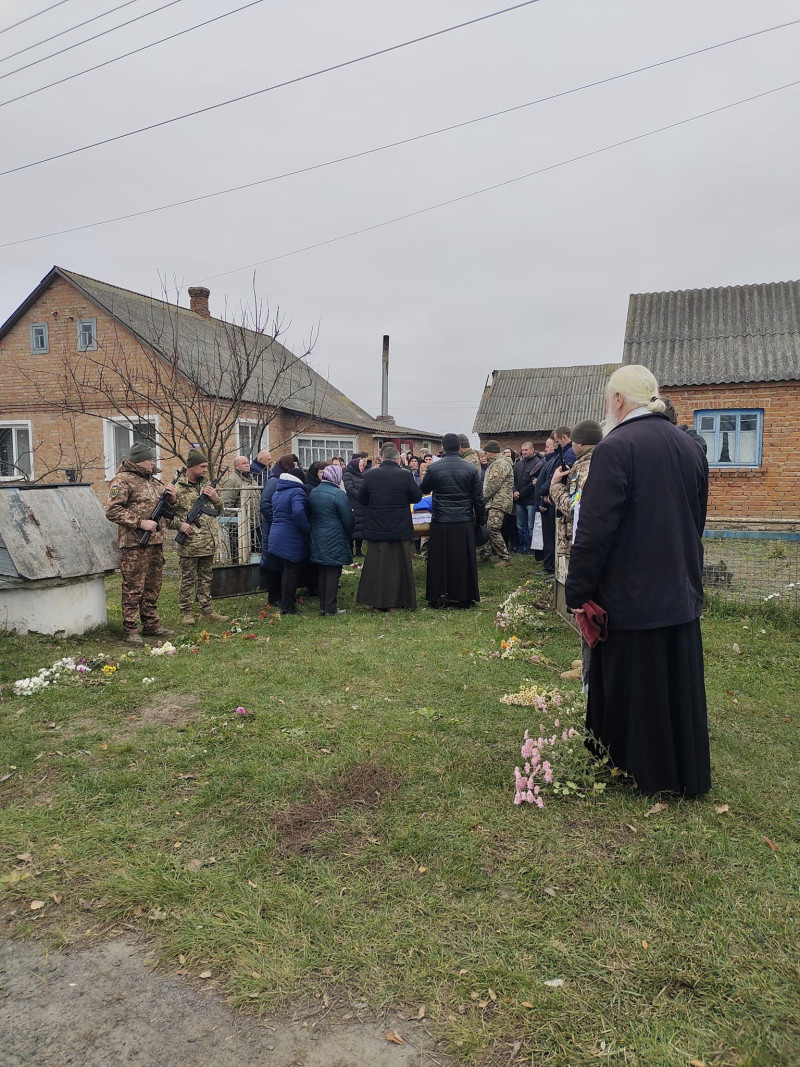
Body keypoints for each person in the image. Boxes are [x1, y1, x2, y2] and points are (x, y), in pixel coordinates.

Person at [565, 365, 710, 796]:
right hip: (679, 586)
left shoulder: (616, 446)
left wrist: (579, 592)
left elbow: (594, 531)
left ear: (617, 402)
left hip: (632, 591)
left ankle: (639, 768)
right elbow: (696, 518)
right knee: (674, 683)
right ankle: (682, 771)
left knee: (640, 683)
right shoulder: (687, 444)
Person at [549, 420, 602, 689]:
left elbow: (573, 507)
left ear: (579, 442)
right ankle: (587, 659)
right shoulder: (600, 460)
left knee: (583, 606)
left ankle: (589, 673)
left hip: (579, 545)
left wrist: (555, 486)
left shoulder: (584, 467)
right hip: (587, 545)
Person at [105, 441, 176, 644]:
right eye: (149, 460)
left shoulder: (153, 482)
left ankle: (151, 624)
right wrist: (139, 522)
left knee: (153, 585)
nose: (153, 463)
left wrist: (172, 499)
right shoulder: (122, 480)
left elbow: (169, 510)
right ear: (138, 461)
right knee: (134, 586)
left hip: (155, 542)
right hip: (134, 544)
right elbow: (112, 511)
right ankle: (130, 628)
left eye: (154, 459)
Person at [420, 433, 485, 608]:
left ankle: (437, 597)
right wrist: (481, 521)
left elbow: (424, 488)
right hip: (463, 520)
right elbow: (478, 498)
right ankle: (465, 597)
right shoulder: (470, 469)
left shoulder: (434, 469)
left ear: (443, 447)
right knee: (463, 560)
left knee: (439, 560)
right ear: (459, 447)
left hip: (441, 520)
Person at [356, 444, 422, 611]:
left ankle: (376, 602)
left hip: (377, 525)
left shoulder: (371, 475)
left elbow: (362, 499)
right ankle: (399, 600)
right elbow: (416, 496)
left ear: (382, 458)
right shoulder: (405, 475)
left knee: (376, 566)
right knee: (399, 565)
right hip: (399, 525)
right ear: (398, 459)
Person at [168, 449, 227, 625]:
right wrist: (180, 525)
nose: (205, 470)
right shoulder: (176, 488)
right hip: (190, 543)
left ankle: (207, 611)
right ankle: (186, 612)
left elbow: (218, 511)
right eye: (202, 466)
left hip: (208, 542)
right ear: (190, 467)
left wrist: (216, 498)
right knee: (188, 579)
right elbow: (166, 516)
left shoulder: (207, 485)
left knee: (206, 578)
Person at [309, 463, 354, 616]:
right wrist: (350, 535)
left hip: (317, 535)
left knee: (322, 572)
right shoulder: (338, 494)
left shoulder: (314, 491)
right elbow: (347, 519)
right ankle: (331, 608)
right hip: (335, 536)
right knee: (334, 572)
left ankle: (323, 606)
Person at [268, 462, 310, 615]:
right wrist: (307, 529)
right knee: (292, 574)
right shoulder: (297, 492)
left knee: (285, 572)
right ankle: (288, 607)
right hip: (290, 537)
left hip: (277, 535)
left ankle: (285, 603)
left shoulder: (279, 491)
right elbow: (298, 513)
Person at [259, 454, 298, 606]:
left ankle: (281, 596)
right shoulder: (274, 482)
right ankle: (274, 597)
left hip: (278, 529)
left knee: (280, 564)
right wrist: (276, 521)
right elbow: (265, 504)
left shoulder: (281, 480)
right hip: (273, 529)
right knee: (273, 564)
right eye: (293, 465)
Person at [478, 441, 514, 566]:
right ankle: (485, 554)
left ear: (492, 452)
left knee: (492, 528)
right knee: (486, 528)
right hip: (492, 502)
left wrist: (480, 500)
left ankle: (505, 557)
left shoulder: (501, 464)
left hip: (499, 501)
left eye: (486, 453)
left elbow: (493, 485)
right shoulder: (494, 464)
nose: (485, 455)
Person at [535, 434, 563, 576]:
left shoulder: (557, 460)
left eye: (547, 446)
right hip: (545, 502)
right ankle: (548, 565)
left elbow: (551, 479)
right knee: (547, 538)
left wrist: (541, 491)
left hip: (550, 503)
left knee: (550, 538)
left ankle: (550, 567)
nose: (545, 450)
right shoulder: (550, 460)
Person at [513, 442, 542, 555]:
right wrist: (514, 491)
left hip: (530, 499)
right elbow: (513, 480)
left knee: (531, 526)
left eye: (526, 450)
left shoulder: (538, 463)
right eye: (522, 450)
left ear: (532, 450)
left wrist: (520, 493)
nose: (524, 452)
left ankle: (532, 549)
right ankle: (523, 548)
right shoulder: (519, 464)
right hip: (519, 500)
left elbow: (533, 483)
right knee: (520, 525)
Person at [343, 454, 367, 556]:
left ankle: (358, 550)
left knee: (360, 529)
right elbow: (350, 489)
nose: (362, 468)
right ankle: (350, 550)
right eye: (361, 465)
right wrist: (360, 496)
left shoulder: (363, 475)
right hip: (353, 504)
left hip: (362, 506)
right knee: (352, 528)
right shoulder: (348, 475)